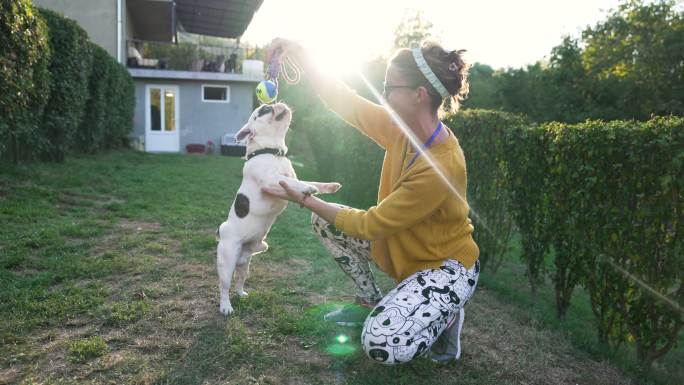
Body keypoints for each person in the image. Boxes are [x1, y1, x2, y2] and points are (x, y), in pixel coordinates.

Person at [262, 38, 480, 365]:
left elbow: (371, 225)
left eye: (390, 87)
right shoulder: (400, 128)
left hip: (446, 267)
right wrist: (301, 54)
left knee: (382, 344)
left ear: (418, 95)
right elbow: (345, 102)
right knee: (326, 222)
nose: (385, 94)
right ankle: (370, 301)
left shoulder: (443, 164)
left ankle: (444, 316)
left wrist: (304, 197)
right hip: (405, 251)